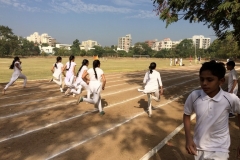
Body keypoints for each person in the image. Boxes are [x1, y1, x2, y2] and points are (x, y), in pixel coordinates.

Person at [183, 61, 240, 160]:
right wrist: (188, 139)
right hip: (199, 147)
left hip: (220, 149)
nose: (204, 83)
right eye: (202, 79)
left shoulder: (230, 99)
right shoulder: (194, 96)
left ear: (221, 81)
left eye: (210, 80)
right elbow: (186, 115)